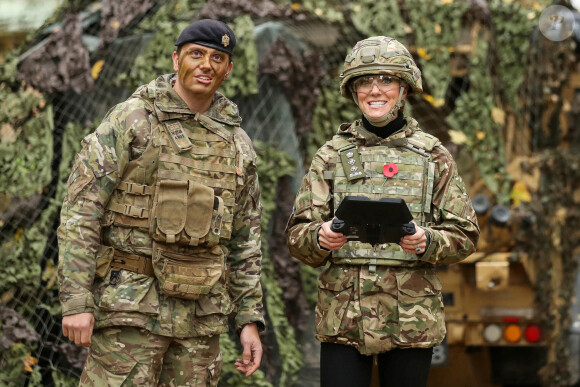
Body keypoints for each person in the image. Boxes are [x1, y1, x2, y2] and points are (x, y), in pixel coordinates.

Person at [57, 19, 265, 386]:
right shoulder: (132, 119)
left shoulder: (237, 143)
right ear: (175, 59)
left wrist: (248, 320)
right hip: (130, 309)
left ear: (228, 69)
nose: (206, 65)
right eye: (196, 54)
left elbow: (245, 238)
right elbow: (82, 209)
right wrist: (76, 301)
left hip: (200, 319)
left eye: (218, 57)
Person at [286, 36, 479, 387]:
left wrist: (427, 241)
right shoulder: (330, 156)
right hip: (344, 317)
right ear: (353, 90)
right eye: (365, 81)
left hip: (411, 317)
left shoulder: (433, 157)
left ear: (404, 89)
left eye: (387, 79)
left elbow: (465, 235)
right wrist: (320, 236)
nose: (375, 90)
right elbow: (298, 236)